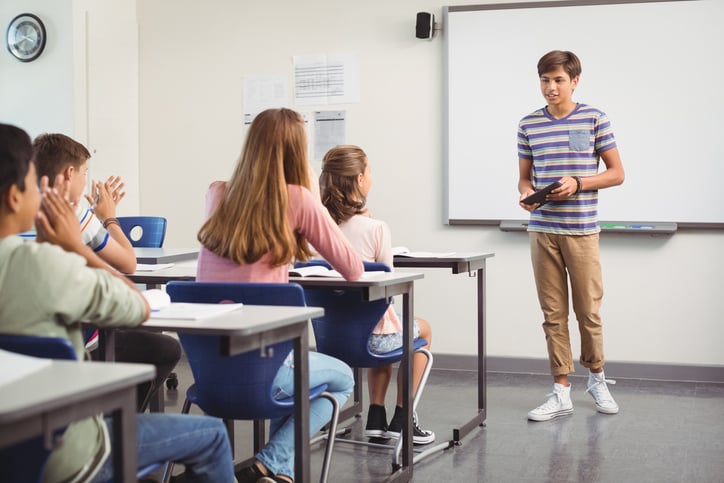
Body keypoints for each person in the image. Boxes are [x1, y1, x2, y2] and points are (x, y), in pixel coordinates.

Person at [0, 122, 235, 483]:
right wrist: (73, 248)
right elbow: (136, 303)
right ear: (16, 196)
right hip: (63, 455)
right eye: (33, 182)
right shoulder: (48, 261)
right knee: (214, 435)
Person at [196, 107, 364, 483]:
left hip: (209, 375)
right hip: (267, 373)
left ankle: (277, 474)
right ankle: (268, 462)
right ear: (295, 152)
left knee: (291, 366)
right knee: (341, 380)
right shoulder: (298, 199)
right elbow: (353, 267)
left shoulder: (216, 192)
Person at [32, 132, 181, 411]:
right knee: (161, 345)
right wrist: (109, 216)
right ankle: (118, 425)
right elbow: (128, 264)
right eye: (84, 174)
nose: (84, 182)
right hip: (77, 341)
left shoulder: (22, 209)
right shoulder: (73, 213)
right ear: (69, 173)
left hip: (29, 345)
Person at [517, 50, 625, 422]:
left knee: (588, 313)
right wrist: (525, 194)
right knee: (552, 315)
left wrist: (579, 183)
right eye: (545, 80)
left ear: (574, 81)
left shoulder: (595, 118)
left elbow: (616, 173)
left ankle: (597, 379)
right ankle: (560, 390)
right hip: (542, 230)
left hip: (581, 231)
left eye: (558, 80)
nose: (551, 87)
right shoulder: (528, 124)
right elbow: (524, 177)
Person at [319, 145, 435, 445]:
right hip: (373, 343)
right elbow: (387, 285)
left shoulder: (314, 228)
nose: (371, 177)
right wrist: (370, 224)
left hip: (329, 340)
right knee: (416, 326)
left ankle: (375, 415)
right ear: (359, 179)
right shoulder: (376, 229)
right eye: (369, 171)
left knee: (382, 319)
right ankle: (402, 417)